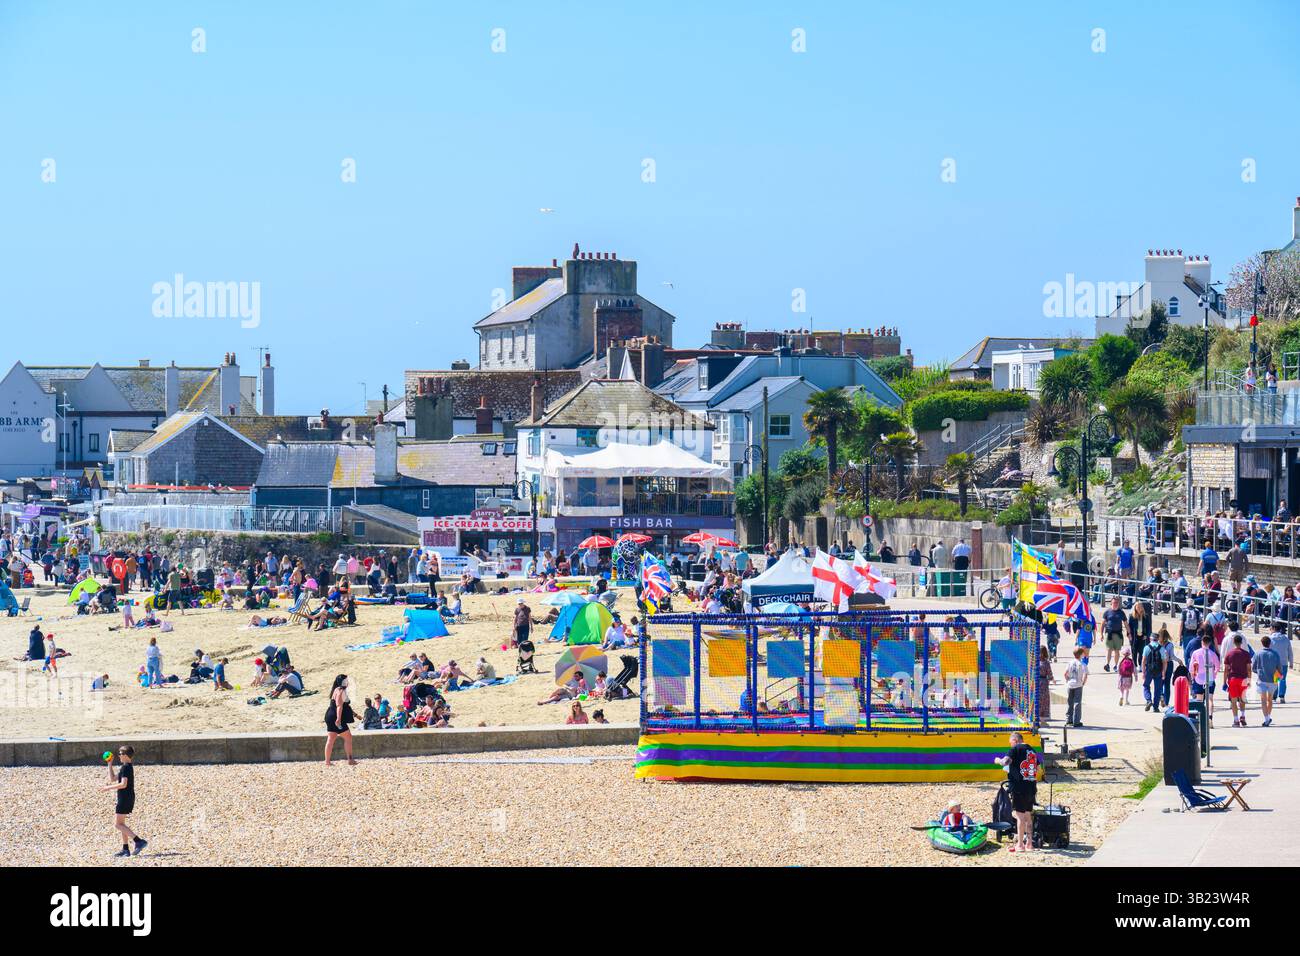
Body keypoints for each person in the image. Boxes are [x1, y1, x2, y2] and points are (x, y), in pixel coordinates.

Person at [994, 731, 1039, 854]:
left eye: (1011, 743)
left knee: (1020, 816)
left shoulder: (1015, 749)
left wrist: (998, 760)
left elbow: (1006, 762)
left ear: (1015, 740)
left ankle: (1020, 845)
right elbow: (1038, 768)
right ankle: (1029, 844)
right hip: (1031, 787)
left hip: (1019, 788)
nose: (1011, 746)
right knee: (1028, 815)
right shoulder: (1032, 750)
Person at [101, 745, 147, 858]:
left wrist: (107, 788)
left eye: (120, 754)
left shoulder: (126, 767)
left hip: (125, 798)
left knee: (117, 824)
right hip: (125, 797)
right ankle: (125, 849)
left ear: (126, 756)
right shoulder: (125, 767)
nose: (119, 756)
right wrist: (109, 764)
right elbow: (112, 779)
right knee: (122, 824)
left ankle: (139, 841)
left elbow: (123, 784)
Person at [324, 674, 357, 765]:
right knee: (348, 737)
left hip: (329, 715)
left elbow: (345, 706)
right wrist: (338, 719)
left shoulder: (336, 689)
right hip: (336, 717)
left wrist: (355, 714)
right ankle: (350, 760)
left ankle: (327, 762)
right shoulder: (341, 691)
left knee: (331, 738)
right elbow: (339, 706)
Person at [1223, 633, 1252, 727]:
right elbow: (1249, 668)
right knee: (1242, 699)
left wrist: (1224, 682)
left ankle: (1236, 720)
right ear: (1241, 642)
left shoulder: (1229, 654)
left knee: (1234, 701)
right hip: (1243, 679)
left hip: (1233, 679)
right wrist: (1249, 680)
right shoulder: (1246, 654)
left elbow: (1226, 670)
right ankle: (1243, 716)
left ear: (1233, 642)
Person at [1189, 634, 1220, 722]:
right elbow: (1217, 666)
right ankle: (1210, 717)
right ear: (1210, 643)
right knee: (1210, 699)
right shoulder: (1213, 654)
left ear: (1202, 642)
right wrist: (1214, 675)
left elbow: (1191, 667)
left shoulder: (1196, 653)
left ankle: (1200, 718)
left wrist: (1192, 677)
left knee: (1199, 699)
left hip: (1199, 678)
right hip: (1210, 678)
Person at [1253, 634, 1282, 728]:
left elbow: (1254, 667)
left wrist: (1258, 672)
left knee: (1263, 700)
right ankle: (1268, 717)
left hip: (1262, 679)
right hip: (1273, 679)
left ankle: (1266, 718)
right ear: (1270, 643)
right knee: (1270, 699)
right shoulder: (1275, 653)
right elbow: (1279, 667)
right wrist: (1279, 676)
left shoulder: (1258, 653)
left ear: (1262, 643)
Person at [1063, 646, 1087, 728]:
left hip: (1070, 684)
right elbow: (1085, 675)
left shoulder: (1070, 662)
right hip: (1078, 684)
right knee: (1077, 702)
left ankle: (1069, 720)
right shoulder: (1082, 664)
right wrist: (1083, 682)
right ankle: (1076, 721)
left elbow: (1065, 673)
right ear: (1081, 655)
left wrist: (1067, 680)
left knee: (1070, 702)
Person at [1102, 597, 1125, 673]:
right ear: (1111, 603)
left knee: (1117, 651)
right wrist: (1101, 634)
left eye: (1117, 603)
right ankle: (1107, 664)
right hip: (1109, 633)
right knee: (1109, 650)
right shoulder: (1107, 612)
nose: (1115, 604)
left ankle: (1115, 665)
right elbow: (1102, 624)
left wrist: (1129, 633)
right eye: (1114, 603)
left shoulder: (1121, 612)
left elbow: (1126, 623)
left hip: (1118, 634)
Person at [1270, 621, 1291, 703]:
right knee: (1282, 679)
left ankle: (1274, 696)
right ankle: (1282, 696)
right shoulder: (1286, 639)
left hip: (1274, 663)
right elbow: (1290, 651)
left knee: (1275, 679)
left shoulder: (1270, 639)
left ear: (1274, 629)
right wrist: (1291, 662)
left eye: (1271, 628)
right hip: (1284, 663)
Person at [1036, 646, 1052, 722]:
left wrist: (1050, 678)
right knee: (1041, 698)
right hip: (1040, 681)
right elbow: (1050, 674)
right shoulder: (1043, 662)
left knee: (1042, 699)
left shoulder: (1044, 662)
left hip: (1042, 681)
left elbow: (1050, 674)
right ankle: (1039, 714)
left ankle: (1041, 714)